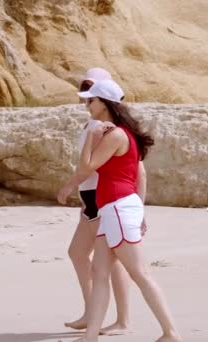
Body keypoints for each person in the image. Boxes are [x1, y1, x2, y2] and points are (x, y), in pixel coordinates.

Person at [58, 79, 182, 342]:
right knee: (100, 273)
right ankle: (90, 336)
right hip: (113, 210)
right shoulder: (121, 133)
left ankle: (171, 333)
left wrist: (92, 136)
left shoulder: (115, 135)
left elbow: (85, 169)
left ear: (105, 103)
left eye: (91, 100)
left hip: (118, 208)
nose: (87, 105)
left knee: (141, 274)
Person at [65, 68, 139, 335]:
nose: (87, 101)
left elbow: (136, 171)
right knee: (88, 255)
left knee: (105, 258)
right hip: (92, 200)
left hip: (104, 199)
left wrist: (69, 186)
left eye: (92, 95)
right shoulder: (93, 126)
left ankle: (116, 318)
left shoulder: (111, 131)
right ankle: (99, 315)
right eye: (86, 96)